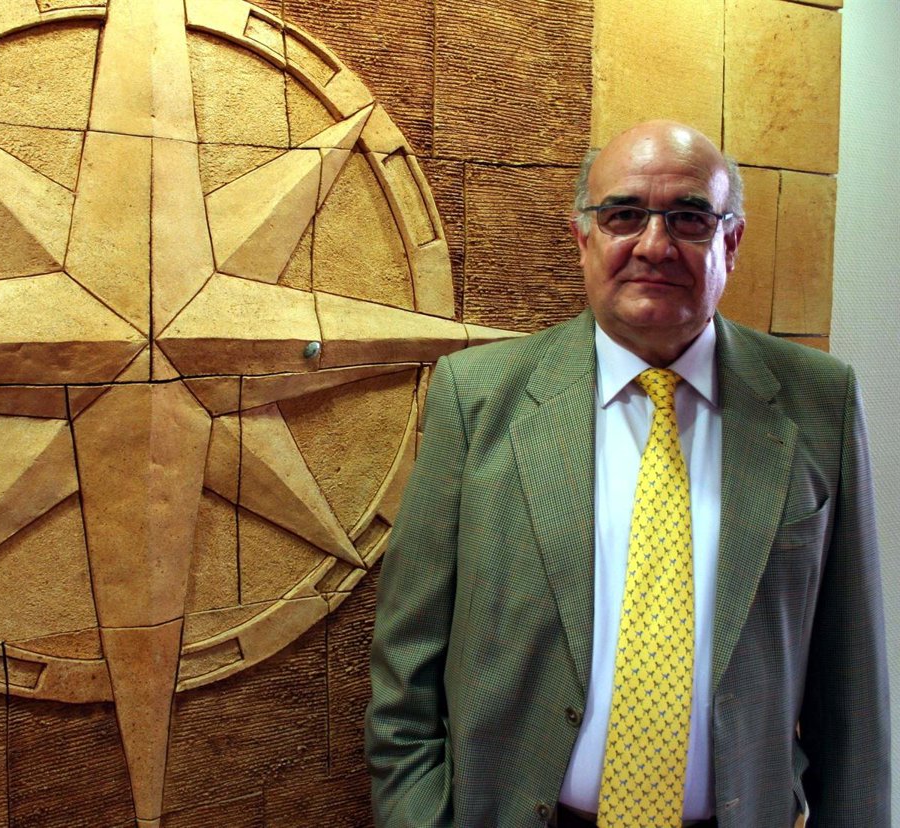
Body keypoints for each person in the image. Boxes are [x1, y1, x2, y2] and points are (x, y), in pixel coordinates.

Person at [365, 120, 889, 828]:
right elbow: (407, 662)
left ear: (731, 242)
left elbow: (852, 687)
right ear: (583, 237)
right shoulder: (477, 397)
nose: (654, 245)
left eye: (689, 218)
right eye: (624, 215)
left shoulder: (819, 403)